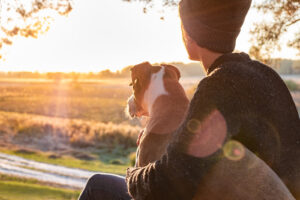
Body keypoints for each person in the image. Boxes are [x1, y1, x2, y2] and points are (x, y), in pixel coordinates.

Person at [79, 0, 300, 199]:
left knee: (98, 186)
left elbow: (171, 181)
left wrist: (133, 175)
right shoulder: (267, 76)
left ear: (188, 34)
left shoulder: (220, 84)